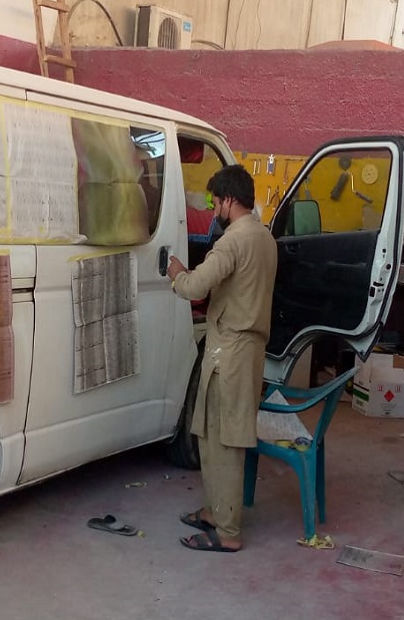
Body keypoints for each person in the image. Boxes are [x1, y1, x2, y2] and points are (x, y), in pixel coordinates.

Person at [166, 164, 277, 552]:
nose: (214, 211)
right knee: (212, 433)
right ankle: (216, 510)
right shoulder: (265, 237)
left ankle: (228, 532)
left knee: (225, 440)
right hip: (245, 349)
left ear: (230, 200)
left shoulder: (233, 241)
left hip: (230, 350)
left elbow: (196, 286)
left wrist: (177, 272)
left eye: (216, 203)